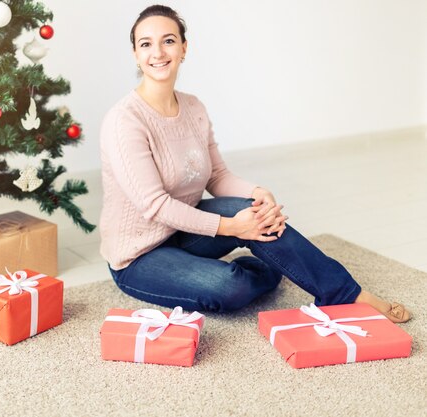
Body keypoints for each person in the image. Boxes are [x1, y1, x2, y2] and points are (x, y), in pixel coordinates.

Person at [98, 4, 411, 322]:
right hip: (139, 255)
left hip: (184, 231)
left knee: (256, 212)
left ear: (183, 48)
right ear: (136, 54)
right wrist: (234, 227)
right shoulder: (124, 121)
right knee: (229, 286)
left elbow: (217, 174)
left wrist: (258, 192)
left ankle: (346, 295)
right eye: (146, 44)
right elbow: (156, 206)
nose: (157, 52)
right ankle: (267, 267)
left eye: (167, 40)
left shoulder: (193, 107)